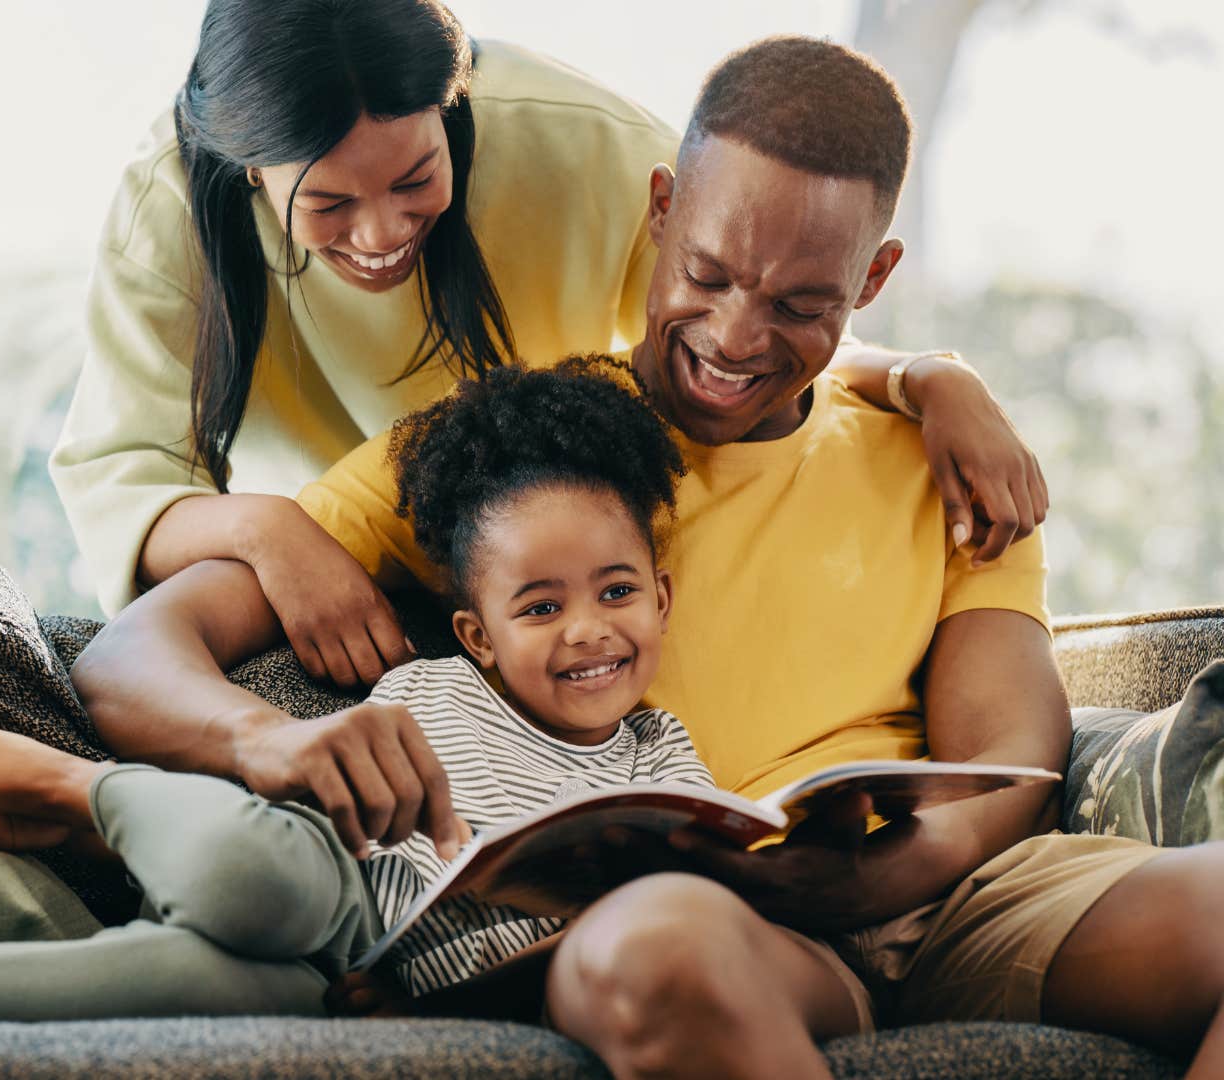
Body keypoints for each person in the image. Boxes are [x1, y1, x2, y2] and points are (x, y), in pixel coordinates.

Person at [71, 35, 1224, 1077]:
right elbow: (131, 656)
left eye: (797, 305)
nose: (734, 338)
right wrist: (265, 739)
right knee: (649, 949)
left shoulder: (936, 457)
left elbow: (1007, 756)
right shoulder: (513, 454)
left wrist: (897, 871)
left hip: (950, 895)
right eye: (710, 278)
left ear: (871, 285)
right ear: (662, 212)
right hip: (707, 923)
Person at [50, 0, 1048, 693]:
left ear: (453, 102)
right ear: (251, 177)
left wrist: (928, 377)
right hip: (338, 560)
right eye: (328, 203)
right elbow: (122, 473)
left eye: (413, 179)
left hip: (548, 572)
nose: (381, 232)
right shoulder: (170, 204)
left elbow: (742, 337)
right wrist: (269, 534)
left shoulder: (586, 143)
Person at [0, 357, 716, 1023]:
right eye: (539, 608)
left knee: (213, 992)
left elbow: (699, 912)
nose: (587, 629)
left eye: (616, 592)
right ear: (476, 637)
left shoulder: (662, 756)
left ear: (661, 600)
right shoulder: (430, 696)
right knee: (267, 884)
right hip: (328, 893)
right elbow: (301, 824)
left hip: (354, 985)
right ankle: (76, 791)